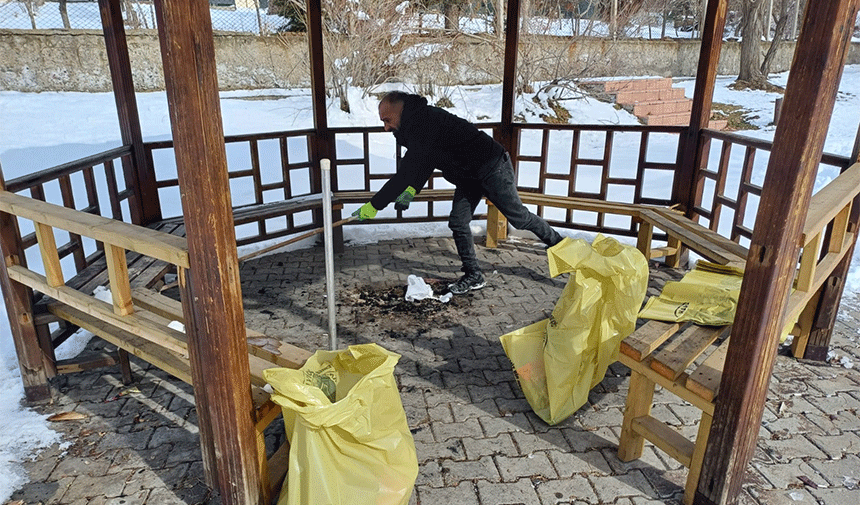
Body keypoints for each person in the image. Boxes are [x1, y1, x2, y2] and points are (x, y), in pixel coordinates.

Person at [352, 91, 563, 294]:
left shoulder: (425, 123)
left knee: (519, 218)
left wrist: (375, 205)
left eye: (387, 120)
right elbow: (424, 162)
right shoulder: (413, 126)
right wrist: (411, 189)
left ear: (401, 111)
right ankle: (473, 275)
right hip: (468, 175)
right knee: (458, 221)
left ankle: (560, 245)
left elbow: (408, 170)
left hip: (492, 167)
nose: (386, 128)